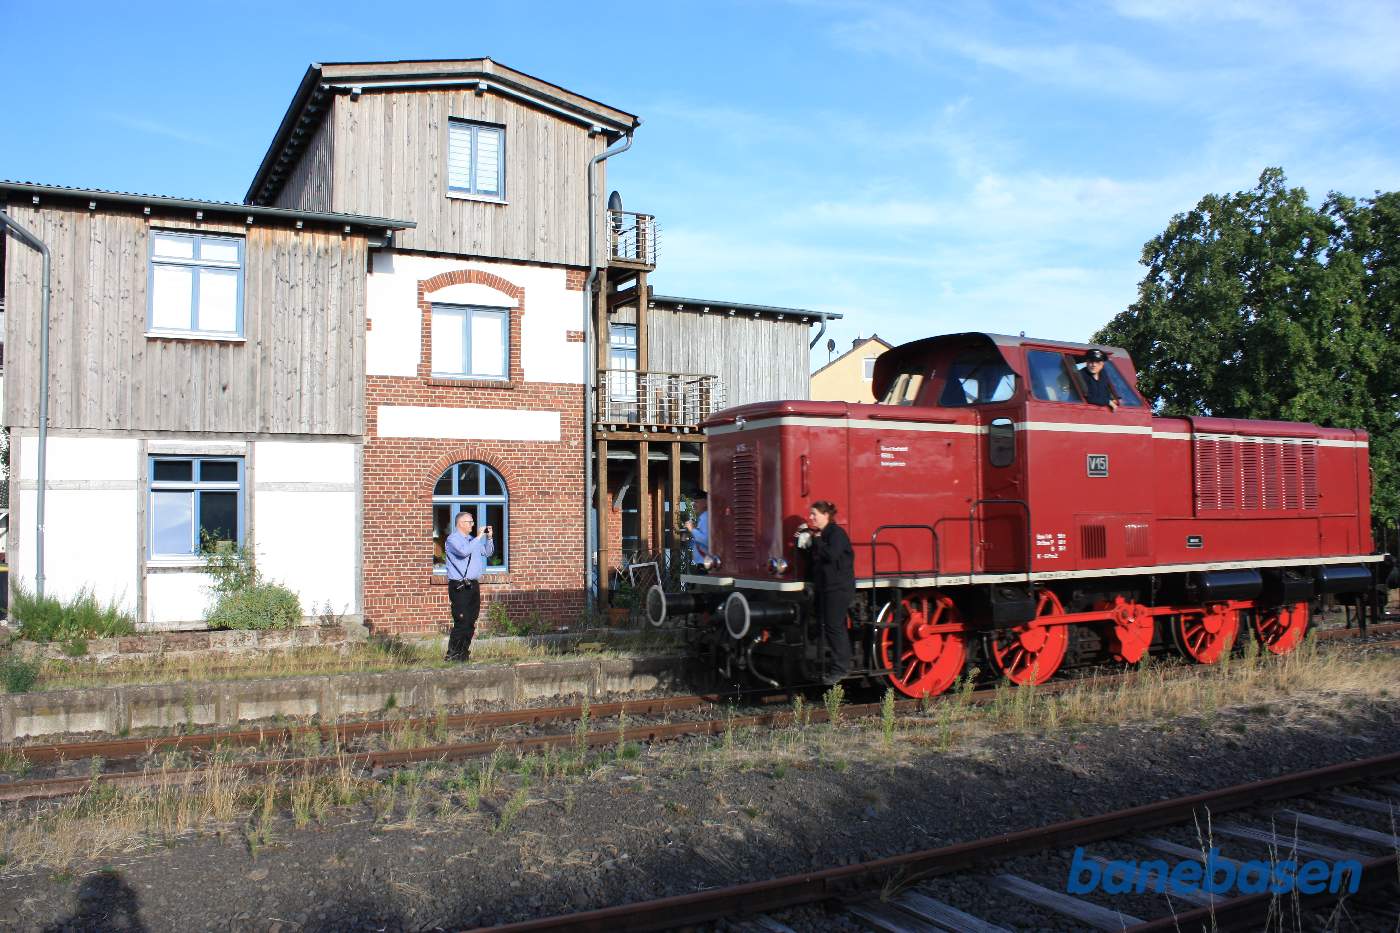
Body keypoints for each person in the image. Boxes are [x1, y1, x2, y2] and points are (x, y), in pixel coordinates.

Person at [797, 500, 855, 686]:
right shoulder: (821, 536)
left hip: (837, 588)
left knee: (834, 626)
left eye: (814, 514)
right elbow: (815, 561)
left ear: (826, 515)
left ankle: (841, 668)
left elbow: (831, 555)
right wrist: (803, 545)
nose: (811, 517)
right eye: (811, 514)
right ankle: (827, 663)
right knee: (827, 625)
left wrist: (814, 540)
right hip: (825, 587)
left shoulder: (837, 534)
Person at [444, 510, 494, 662]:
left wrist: (489, 538)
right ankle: (452, 655)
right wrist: (479, 537)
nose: (473, 525)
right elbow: (464, 552)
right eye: (470, 522)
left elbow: (488, 552)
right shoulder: (452, 540)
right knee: (462, 621)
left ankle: (463, 653)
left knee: (471, 620)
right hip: (459, 586)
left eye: (473, 522)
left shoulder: (473, 539)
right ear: (460, 523)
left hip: (473, 584)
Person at [684, 491, 709, 572]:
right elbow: (699, 543)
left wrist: (692, 529)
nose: (693, 504)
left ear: (706, 503)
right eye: (693, 501)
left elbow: (707, 540)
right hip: (702, 564)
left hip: (706, 565)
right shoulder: (702, 518)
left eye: (697, 502)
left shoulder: (706, 518)